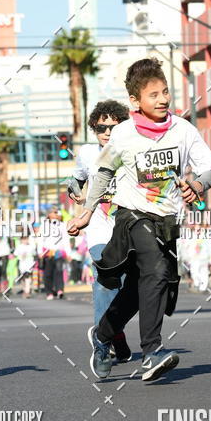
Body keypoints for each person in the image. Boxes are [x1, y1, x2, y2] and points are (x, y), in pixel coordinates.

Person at [68, 58, 211, 383]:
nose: (162, 99)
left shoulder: (182, 129)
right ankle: (152, 351)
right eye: (153, 95)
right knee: (156, 271)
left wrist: (196, 184)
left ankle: (103, 334)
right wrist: (86, 212)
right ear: (136, 101)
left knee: (138, 291)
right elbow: (102, 173)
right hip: (132, 216)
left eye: (165, 92)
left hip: (167, 220)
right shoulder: (123, 134)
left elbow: (208, 168)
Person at [66, 100, 131, 362]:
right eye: (101, 127)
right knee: (105, 279)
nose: (106, 132)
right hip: (98, 227)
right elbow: (78, 177)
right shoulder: (87, 153)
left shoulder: (132, 150)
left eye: (112, 127)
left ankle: (116, 335)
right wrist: (73, 189)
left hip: (127, 226)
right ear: (94, 129)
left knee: (124, 288)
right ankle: (102, 344)